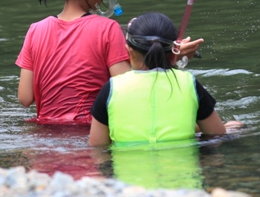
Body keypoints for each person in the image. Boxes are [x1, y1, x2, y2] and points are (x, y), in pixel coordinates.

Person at [16, 0, 202, 124]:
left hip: (46, 142)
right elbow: (131, 91)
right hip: (92, 134)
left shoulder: (36, 29)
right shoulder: (107, 28)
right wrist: (170, 58)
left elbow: (25, 98)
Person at [89, 12, 243, 146]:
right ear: (174, 51)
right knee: (235, 125)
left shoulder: (112, 88)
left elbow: (98, 147)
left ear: (129, 49)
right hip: (184, 178)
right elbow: (216, 135)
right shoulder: (189, 82)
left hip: (128, 180)